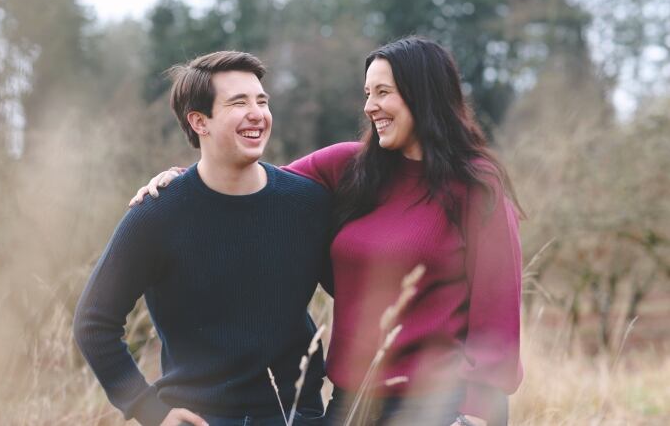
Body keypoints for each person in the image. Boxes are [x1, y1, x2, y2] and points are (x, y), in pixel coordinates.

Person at [130, 36, 524, 426]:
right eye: (367, 92)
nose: (370, 107)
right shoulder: (348, 166)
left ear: (423, 95)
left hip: (441, 407)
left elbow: (497, 314)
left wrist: (475, 416)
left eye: (383, 92)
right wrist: (182, 181)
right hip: (351, 404)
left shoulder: (476, 186)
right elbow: (249, 187)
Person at [73, 51, 332, 426]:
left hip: (294, 416)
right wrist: (150, 410)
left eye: (262, 101)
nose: (257, 113)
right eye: (238, 102)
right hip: (197, 418)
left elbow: (363, 298)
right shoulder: (157, 213)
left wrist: (334, 410)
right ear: (199, 121)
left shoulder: (307, 204)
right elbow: (93, 321)